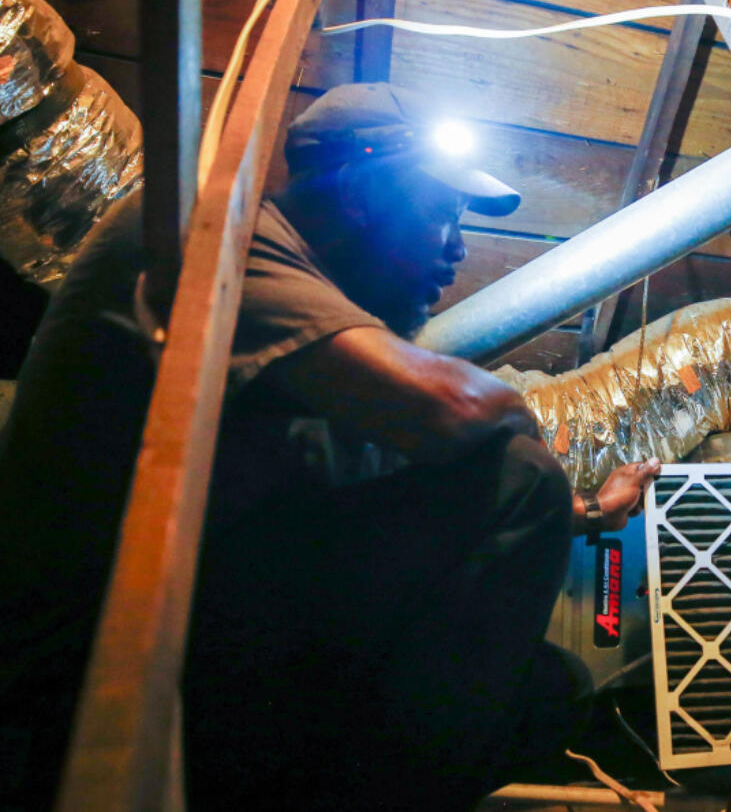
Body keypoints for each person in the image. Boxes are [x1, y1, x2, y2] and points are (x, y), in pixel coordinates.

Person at [0, 82, 659, 811]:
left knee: (549, 691)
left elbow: (376, 462)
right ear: (362, 197)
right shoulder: (214, 228)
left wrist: (591, 510)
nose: (459, 247)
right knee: (519, 475)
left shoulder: (304, 343)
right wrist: (528, 443)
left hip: (188, 627)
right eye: (440, 212)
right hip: (82, 676)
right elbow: (456, 408)